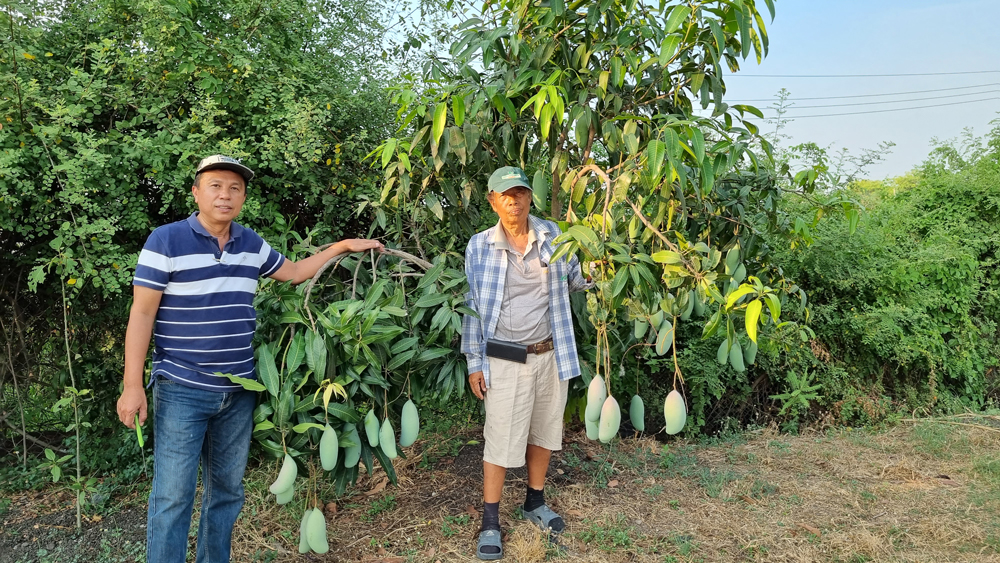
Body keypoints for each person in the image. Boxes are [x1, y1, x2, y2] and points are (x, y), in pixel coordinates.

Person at [115, 155, 383, 563]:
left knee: (226, 494)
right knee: (172, 498)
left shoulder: (250, 243)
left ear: (242, 197)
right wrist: (132, 385)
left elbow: (294, 272)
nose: (225, 195)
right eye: (216, 186)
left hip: (239, 391)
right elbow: (142, 314)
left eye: (234, 188)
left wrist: (343, 246)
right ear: (196, 192)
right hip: (182, 388)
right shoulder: (164, 240)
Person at [461, 166, 592, 560]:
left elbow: (575, 281)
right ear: (492, 200)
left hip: (551, 352)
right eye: (505, 194)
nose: (514, 200)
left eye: (520, 192)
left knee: (544, 432)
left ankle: (534, 501)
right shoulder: (479, 245)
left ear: (529, 197)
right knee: (499, 439)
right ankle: (490, 520)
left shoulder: (553, 235)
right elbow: (471, 308)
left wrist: (599, 268)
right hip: (504, 357)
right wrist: (473, 361)